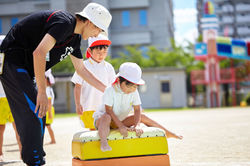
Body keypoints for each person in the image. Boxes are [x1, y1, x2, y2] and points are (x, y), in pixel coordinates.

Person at [0, 2, 112, 165]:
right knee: (36, 111)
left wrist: (106, 89)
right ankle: (36, 161)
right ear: (89, 22)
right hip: (12, 60)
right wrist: (42, 92)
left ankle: (35, 159)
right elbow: (39, 53)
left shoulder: (74, 38)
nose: (97, 35)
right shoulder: (65, 22)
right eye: (98, 29)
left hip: (24, 67)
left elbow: (81, 70)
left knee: (39, 112)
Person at [93, 62, 183, 152]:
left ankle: (168, 134)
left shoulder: (133, 91)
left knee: (143, 117)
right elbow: (109, 110)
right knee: (106, 117)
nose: (131, 90)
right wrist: (121, 126)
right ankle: (104, 142)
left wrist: (137, 125)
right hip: (103, 120)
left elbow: (137, 109)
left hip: (120, 120)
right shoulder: (110, 90)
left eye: (135, 87)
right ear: (119, 81)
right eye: (129, 87)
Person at [71, 34, 116, 130]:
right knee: (92, 130)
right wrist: (78, 104)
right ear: (90, 51)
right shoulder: (83, 66)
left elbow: (113, 88)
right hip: (88, 106)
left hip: (105, 107)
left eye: (104, 52)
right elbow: (77, 86)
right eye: (98, 52)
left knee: (106, 129)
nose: (101, 55)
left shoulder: (109, 67)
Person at [0, 81, 22, 162]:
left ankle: (22, 153)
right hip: (1, 98)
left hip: (13, 96)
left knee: (18, 127)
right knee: (0, 128)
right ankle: (0, 154)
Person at [45, 69, 56, 144]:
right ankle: (53, 140)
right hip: (49, 109)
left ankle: (53, 140)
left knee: (48, 125)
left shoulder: (47, 89)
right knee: (48, 126)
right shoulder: (50, 89)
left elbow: (49, 102)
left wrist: (49, 113)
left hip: (48, 109)